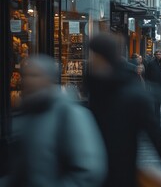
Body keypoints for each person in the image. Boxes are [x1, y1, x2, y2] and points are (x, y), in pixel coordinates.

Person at [86, 34, 161, 187]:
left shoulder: (131, 92)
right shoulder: (94, 85)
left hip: (120, 173)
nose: (90, 61)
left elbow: (156, 135)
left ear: (101, 57)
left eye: (93, 55)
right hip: (91, 170)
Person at [7, 54, 107, 187]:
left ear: (49, 79)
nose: (28, 81)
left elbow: (88, 170)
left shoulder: (70, 113)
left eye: (35, 75)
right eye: (25, 75)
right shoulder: (26, 113)